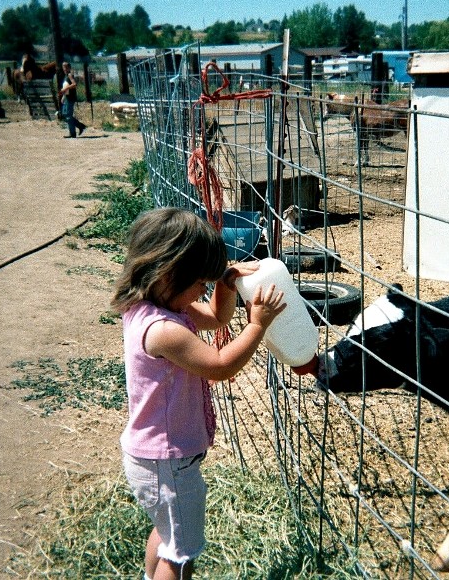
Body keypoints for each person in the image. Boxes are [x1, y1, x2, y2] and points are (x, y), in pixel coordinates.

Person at [110, 207, 286, 580]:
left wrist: (225, 282)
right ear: (168, 274)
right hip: (167, 461)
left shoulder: (147, 305)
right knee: (181, 555)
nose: (203, 291)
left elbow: (217, 317)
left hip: (156, 458)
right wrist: (257, 325)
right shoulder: (164, 330)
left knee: (166, 532)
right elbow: (221, 365)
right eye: (200, 283)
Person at [57, 61, 87, 138]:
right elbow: (66, 88)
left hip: (71, 98)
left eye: (66, 67)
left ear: (69, 68)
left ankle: (73, 133)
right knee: (65, 115)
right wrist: (63, 96)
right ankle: (80, 126)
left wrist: (65, 89)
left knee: (68, 116)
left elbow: (74, 84)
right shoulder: (65, 76)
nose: (65, 69)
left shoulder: (70, 75)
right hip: (66, 97)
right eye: (63, 67)